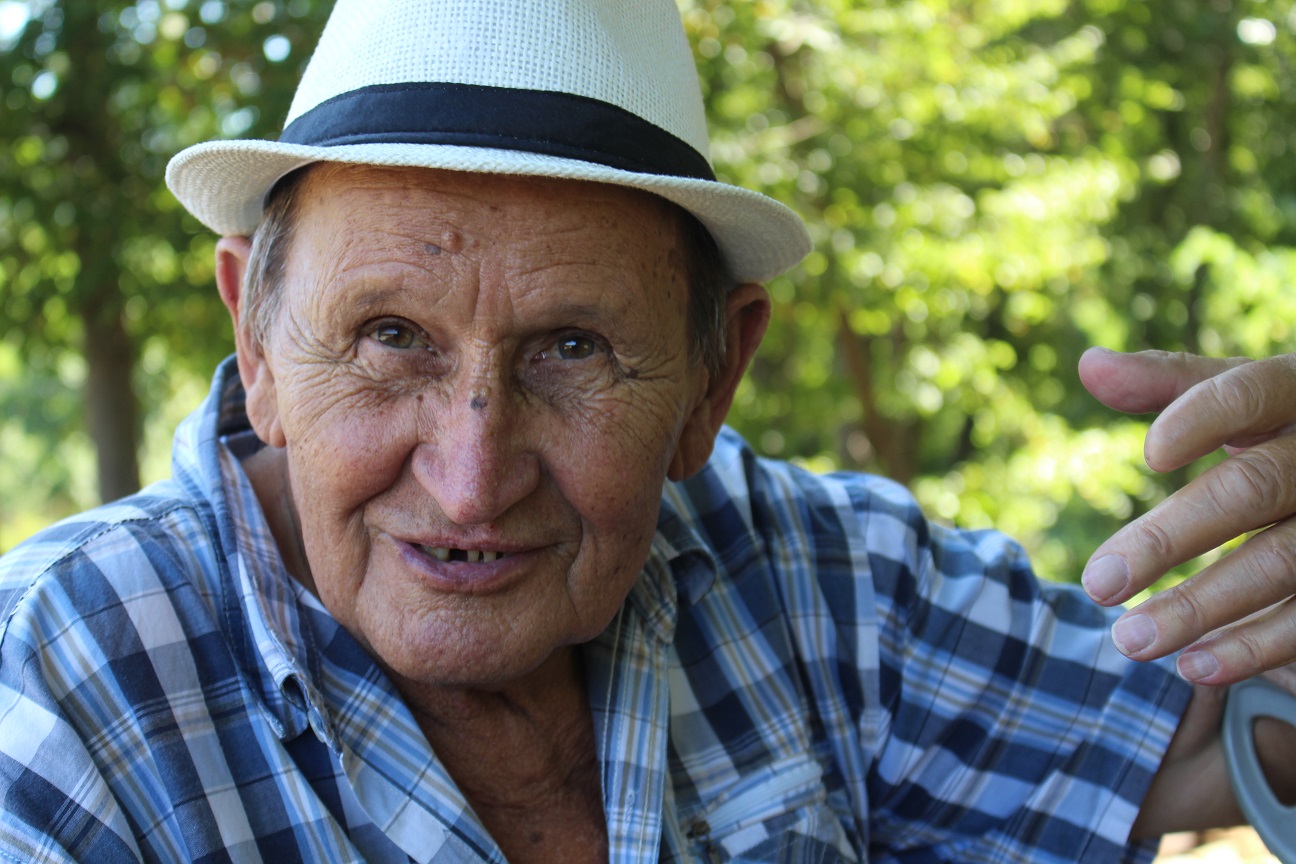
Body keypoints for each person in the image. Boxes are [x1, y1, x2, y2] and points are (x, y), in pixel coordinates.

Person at [0, 0, 1292, 862]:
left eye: (572, 348)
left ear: (713, 380)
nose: (470, 481)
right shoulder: (57, 687)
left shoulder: (809, 577)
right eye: (390, 336)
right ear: (256, 340)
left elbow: (1229, 741)